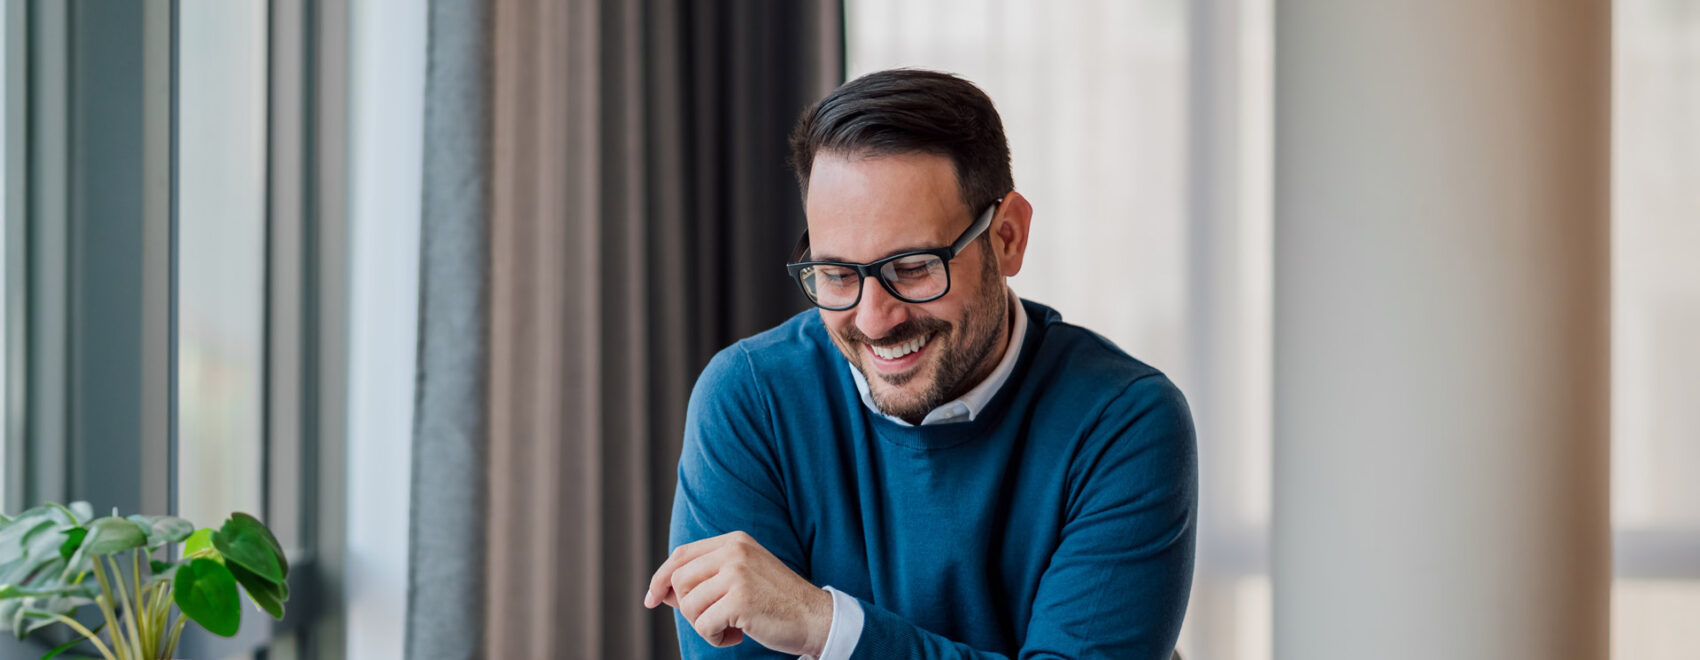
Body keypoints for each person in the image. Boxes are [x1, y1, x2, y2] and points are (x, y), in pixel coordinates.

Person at [644, 68, 1197, 659]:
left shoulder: (1123, 423)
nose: (874, 320)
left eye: (912, 268)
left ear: (1007, 237)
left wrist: (827, 627)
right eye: (836, 274)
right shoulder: (750, 400)